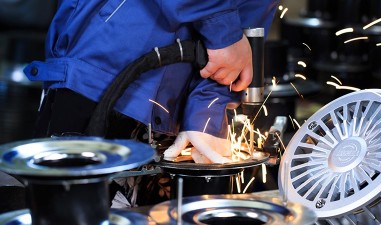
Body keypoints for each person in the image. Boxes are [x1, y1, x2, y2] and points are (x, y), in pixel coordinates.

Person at [24, 0, 278, 206]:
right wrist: (222, 30)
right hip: (100, 75)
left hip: (171, 112)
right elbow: (229, 38)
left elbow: (249, 17)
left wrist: (206, 108)